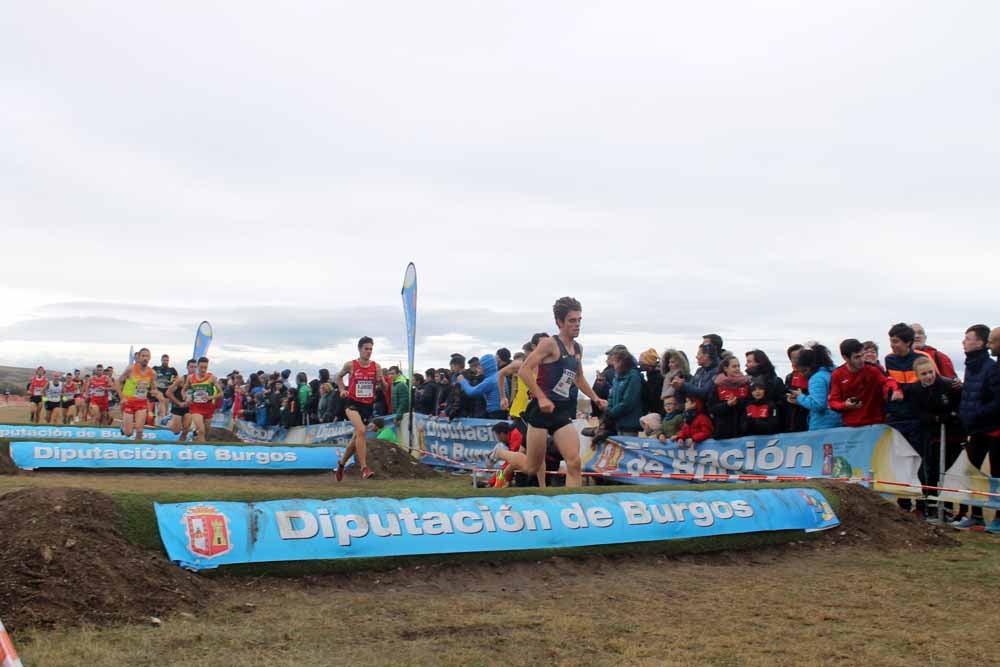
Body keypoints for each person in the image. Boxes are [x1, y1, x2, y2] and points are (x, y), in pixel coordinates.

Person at [519, 297, 606, 488]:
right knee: (531, 467)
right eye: (572, 321)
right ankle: (499, 453)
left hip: (560, 411)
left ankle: (573, 507)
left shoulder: (577, 348)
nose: (577, 325)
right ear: (559, 322)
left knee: (574, 462)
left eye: (579, 320)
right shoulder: (549, 344)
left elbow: (579, 377)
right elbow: (524, 370)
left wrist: (595, 398)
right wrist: (541, 398)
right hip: (541, 411)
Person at [954, 325, 1000, 531]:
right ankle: (976, 514)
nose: (964, 342)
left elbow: (996, 401)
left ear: (980, 342)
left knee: (996, 474)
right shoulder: (971, 366)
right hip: (975, 429)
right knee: (970, 471)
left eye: (968, 338)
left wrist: (975, 414)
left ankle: (998, 517)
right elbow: (971, 395)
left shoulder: (991, 368)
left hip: (993, 428)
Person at [334, 336, 384, 481]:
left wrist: (382, 382)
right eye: (366, 349)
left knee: (355, 440)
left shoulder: (376, 366)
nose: (369, 352)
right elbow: (339, 377)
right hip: (352, 404)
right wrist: (342, 389)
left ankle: (341, 464)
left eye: (371, 349)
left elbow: (382, 386)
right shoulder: (351, 365)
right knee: (361, 431)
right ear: (360, 349)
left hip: (367, 406)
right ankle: (364, 468)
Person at [829, 339, 902, 427]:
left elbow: (887, 381)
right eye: (857, 357)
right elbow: (833, 402)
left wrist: (896, 390)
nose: (861, 360)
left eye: (862, 355)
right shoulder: (837, 374)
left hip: (876, 423)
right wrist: (845, 405)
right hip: (852, 426)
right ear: (845, 358)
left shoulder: (873, 370)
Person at [788, 345, 843, 431]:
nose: (801, 375)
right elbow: (826, 398)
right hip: (839, 420)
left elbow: (819, 405)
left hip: (822, 424)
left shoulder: (817, 379)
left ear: (808, 368)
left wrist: (800, 397)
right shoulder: (833, 372)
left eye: (802, 371)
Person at [116, 348, 164, 440]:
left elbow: (153, 388)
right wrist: (121, 397)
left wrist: (157, 394)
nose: (145, 358)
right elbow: (118, 382)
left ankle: (138, 449)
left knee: (139, 429)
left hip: (141, 403)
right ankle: (124, 427)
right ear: (139, 357)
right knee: (128, 433)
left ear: (150, 358)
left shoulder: (152, 373)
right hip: (128, 402)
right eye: (143, 356)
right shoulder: (131, 369)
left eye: (147, 356)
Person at [179, 357, 223, 443]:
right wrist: (186, 397)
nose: (203, 370)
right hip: (196, 408)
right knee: (201, 430)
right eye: (201, 367)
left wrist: (210, 397)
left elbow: (221, 393)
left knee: (206, 432)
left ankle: (196, 441)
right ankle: (202, 452)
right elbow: (183, 391)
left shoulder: (212, 378)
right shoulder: (191, 378)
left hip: (208, 408)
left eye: (205, 367)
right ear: (197, 367)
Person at [708, 356, 750, 440]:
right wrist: (727, 405)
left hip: (743, 432)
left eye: (738, 366)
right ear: (726, 369)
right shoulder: (717, 385)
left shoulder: (745, 384)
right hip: (723, 432)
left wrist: (738, 402)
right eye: (734, 366)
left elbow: (750, 403)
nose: (737, 369)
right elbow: (712, 408)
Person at [605, 348, 644, 436]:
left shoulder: (633, 376)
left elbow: (628, 401)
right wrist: (609, 409)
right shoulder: (616, 377)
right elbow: (611, 396)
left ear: (622, 362)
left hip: (630, 423)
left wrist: (612, 412)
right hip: (618, 422)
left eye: (615, 361)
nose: (613, 365)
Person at [456, 354, 504, 419]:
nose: (479, 367)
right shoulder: (500, 376)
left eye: (481, 365)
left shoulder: (490, 380)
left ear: (486, 367)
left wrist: (463, 381)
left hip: (494, 412)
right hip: (503, 411)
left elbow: (471, 392)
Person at [784, 345, 810, 432]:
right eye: (794, 358)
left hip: (810, 416)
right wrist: (788, 398)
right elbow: (785, 394)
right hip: (793, 418)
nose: (798, 360)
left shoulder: (813, 375)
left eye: (800, 356)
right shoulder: (789, 377)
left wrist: (801, 399)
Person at [152, 354, 178, 422]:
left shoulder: (172, 370)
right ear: (161, 360)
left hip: (167, 392)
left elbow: (178, 379)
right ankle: (158, 419)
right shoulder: (156, 368)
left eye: (167, 360)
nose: (165, 362)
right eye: (164, 360)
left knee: (165, 406)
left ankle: (163, 420)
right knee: (159, 406)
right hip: (157, 391)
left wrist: (173, 386)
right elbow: (149, 376)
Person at [638, 348, 663, 415]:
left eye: (641, 363)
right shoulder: (652, 375)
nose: (639, 365)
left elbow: (653, 397)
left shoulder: (657, 378)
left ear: (648, 363)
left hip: (657, 412)